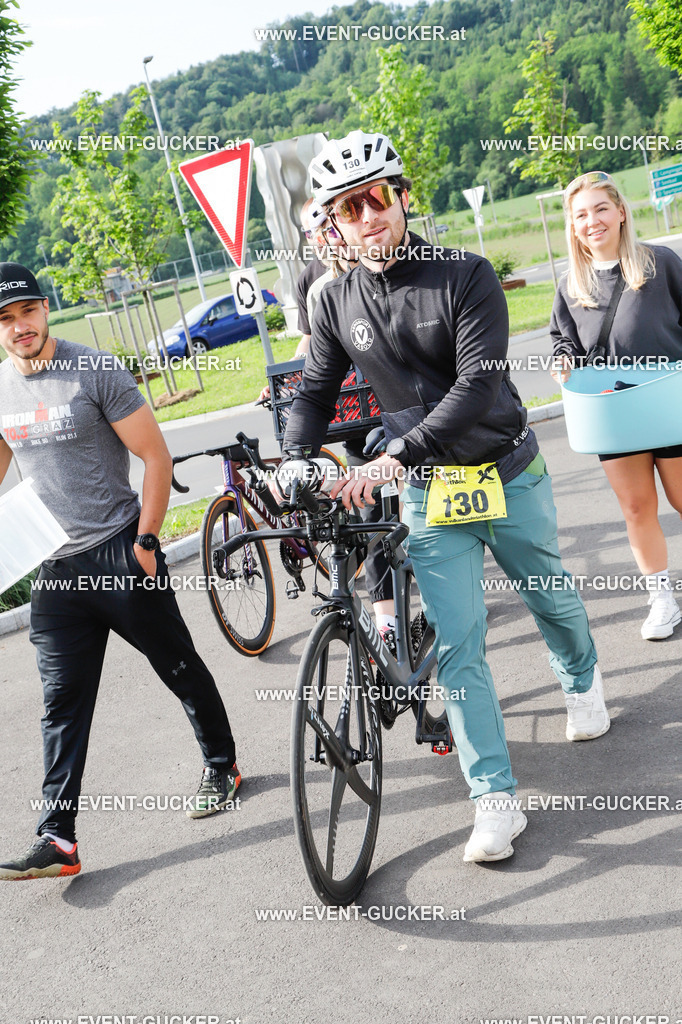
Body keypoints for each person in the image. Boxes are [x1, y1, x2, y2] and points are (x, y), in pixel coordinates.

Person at [281, 130, 610, 864]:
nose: (365, 217)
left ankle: (581, 679)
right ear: (332, 221)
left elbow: (477, 385)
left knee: (549, 595)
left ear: (402, 197)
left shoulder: (464, 274)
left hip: (503, 467)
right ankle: (494, 799)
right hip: (432, 495)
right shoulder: (335, 300)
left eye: (375, 199)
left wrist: (399, 451)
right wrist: (296, 456)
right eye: (347, 208)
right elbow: (312, 393)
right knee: (460, 644)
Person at [0, 263, 240, 881]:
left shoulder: (93, 370)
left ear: (45, 309)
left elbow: (154, 455)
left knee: (177, 666)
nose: (18, 326)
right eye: (4, 319)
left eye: (26, 311)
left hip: (119, 549)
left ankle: (222, 764)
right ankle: (58, 838)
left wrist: (147, 541)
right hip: (56, 570)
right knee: (60, 702)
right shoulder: (1, 389)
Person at [550, 171, 682, 641]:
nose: (592, 221)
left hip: (669, 402)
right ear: (572, 225)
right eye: (581, 214)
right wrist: (563, 361)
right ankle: (662, 598)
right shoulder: (571, 285)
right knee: (636, 507)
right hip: (613, 413)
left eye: (601, 209)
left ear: (621, 211)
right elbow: (563, 341)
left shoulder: (661, 263)